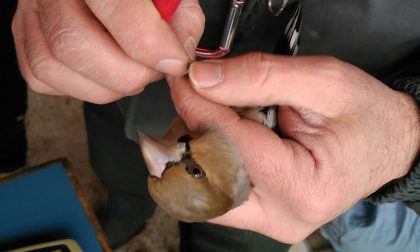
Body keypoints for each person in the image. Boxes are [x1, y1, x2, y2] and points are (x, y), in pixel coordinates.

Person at [11, 0, 420, 251]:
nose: (157, 152)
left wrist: (408, 138)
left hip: (291, 189)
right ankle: (125, 213)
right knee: (115, 165)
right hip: (126, 89)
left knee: (235, 245)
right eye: (182, 166)